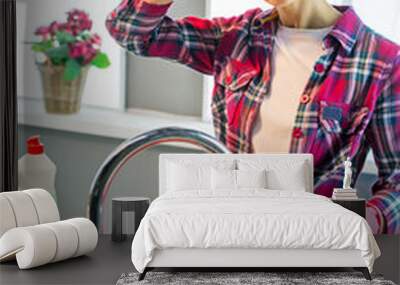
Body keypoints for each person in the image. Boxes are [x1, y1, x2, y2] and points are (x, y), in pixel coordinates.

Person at [105, 0, 400, 234]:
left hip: (312, 243)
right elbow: (133, 33)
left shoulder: (382, 61)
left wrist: (363, 223)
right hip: (229, 229)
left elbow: (396, 184)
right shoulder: (237, 36)